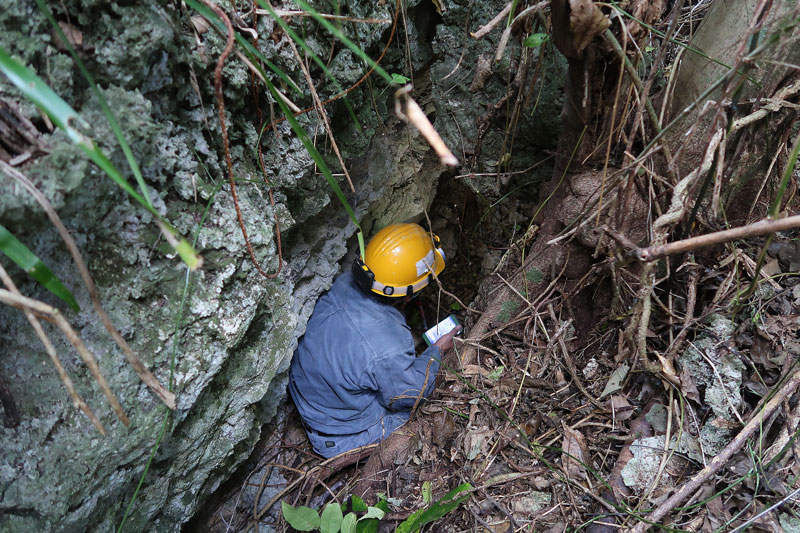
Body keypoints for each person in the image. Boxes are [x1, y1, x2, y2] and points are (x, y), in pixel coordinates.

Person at [289, 223, 460, 458]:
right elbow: (411, 394)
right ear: (410, 291)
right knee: (423, 414)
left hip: (315, 403)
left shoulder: (342, 283)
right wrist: (437, 351)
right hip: (342, 436)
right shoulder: (388, 347)